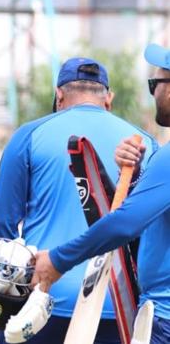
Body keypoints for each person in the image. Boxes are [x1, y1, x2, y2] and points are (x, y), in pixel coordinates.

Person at [0, 56, 157, 344]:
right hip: (118, 305)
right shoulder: (144, 143)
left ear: (60, 96)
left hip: (41, 301)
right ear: (108, 99)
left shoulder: (28, 136)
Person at [32, 44, 170, 344]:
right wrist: (131, 178)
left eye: (154, 84)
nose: (154, 94)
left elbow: (125, 224)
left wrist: (57, 260)